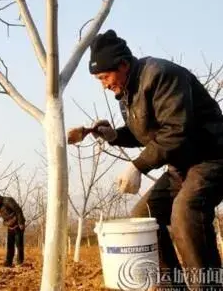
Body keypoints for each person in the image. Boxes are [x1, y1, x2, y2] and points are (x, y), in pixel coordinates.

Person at [68, 29, 223, 290]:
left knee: (185, 214)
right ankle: (174, 287)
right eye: (99, 80)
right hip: (181, 165)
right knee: (144, 217)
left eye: (105, 77)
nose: (104, 85)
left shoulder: (161, 75)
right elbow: (148, 133)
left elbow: (176, 131)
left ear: (124, 64)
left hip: (211, 157)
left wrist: (137, 165)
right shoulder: (126, 93)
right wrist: (114, 135)